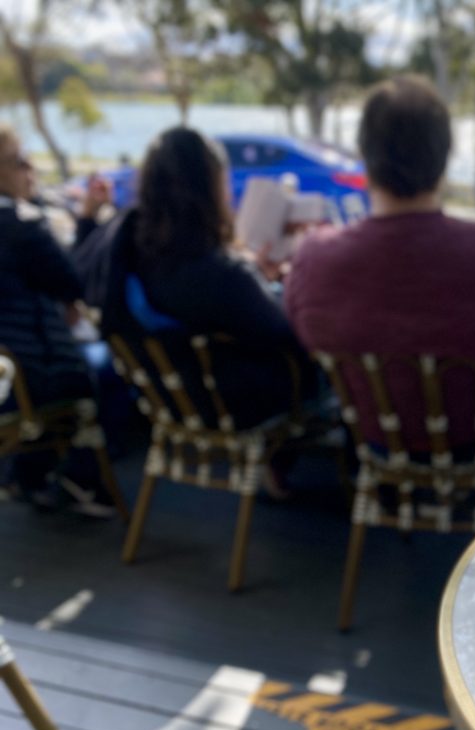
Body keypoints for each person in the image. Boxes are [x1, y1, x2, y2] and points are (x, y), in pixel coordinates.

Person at [285, 75, 475, 453]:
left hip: (376, 440)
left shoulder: (314, 256)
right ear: (445, 155)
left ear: (365, 156)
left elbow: (301, 331)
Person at [79, 127, 316, 445]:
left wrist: (253, 274)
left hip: (170, 401)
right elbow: (285, 331)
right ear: (211, 187)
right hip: (233, 402)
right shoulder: (218, 274)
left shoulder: (128, 248)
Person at [0, 124, 116, 514]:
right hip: (28, 375)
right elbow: (76, 281)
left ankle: (27, 474)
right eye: (20, 161)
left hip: (8, 371)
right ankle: (81, 477)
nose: (29, 168)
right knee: (105, 371)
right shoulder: (19, 225)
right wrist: (88, 220)